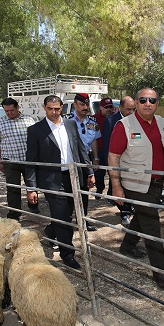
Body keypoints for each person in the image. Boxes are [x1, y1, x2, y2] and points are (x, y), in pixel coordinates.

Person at [109, 88, 164, 290]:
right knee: (152, 227)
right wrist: (116, 186)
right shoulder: (124, 126)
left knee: (143, 216)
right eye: (143, 100)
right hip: (136, 184)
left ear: (157, 103)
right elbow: (114, 156)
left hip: (157, 183)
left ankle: (127, 245)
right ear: (137, 103)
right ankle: (161, 274)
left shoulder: (162, 124)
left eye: (152, 100)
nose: (148, 103)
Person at [25, 95, 93, 269]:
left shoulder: (70, 125)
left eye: (57, 109)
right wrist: (31, 188)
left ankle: (50, 231)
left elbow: (80, 149)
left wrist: (89, 172)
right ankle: (67, 254)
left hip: (73, 176)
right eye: (50, 109)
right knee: (63, 217)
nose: (54, 112)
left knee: (67, 213)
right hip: (51, 180)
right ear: (44, 108)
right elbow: (30, 161)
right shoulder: (36, 130)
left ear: (62, 107)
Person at [0, 97, 38, 221]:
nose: (9, 113)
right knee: (12, 188)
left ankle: (33, 204)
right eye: (6, 111)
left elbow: (37, 140)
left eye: (11, 110)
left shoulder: (29, 120)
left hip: (28, 160)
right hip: (10, 161)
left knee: (32, 184)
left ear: (18, 108)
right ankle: (14, 214)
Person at [67, 93, 100, 231]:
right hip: (71, 160)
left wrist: (96, 158)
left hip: (86, 159)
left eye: (87, 105)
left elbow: (94, 141)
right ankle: (67, 222)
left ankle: (83, 220)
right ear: (75, 105)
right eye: (82, 105)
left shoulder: (93, 123)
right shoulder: (66, 121)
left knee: (85, 191)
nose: (85, 107)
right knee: (70, 192)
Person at [102, 96, 137, 226]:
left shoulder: (137, 121)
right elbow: (107, 145)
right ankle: (125, 212)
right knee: (120, 186)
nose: (132, 112)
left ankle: (129, 207)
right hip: (118, 162)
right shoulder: (110, 121)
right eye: (129, 109)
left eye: (134, 109)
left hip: (133, 160)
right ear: (120, 108)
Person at [93, 97, 116, 198]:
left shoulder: (115, 118)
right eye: (106, 107)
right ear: (101, 108)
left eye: (110, 107)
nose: (108, 109)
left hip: (112, 151)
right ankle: (99, 189)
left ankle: (111, 193)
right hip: (99, 151)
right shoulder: (94, 119)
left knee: (113, 173)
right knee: (99, 173)